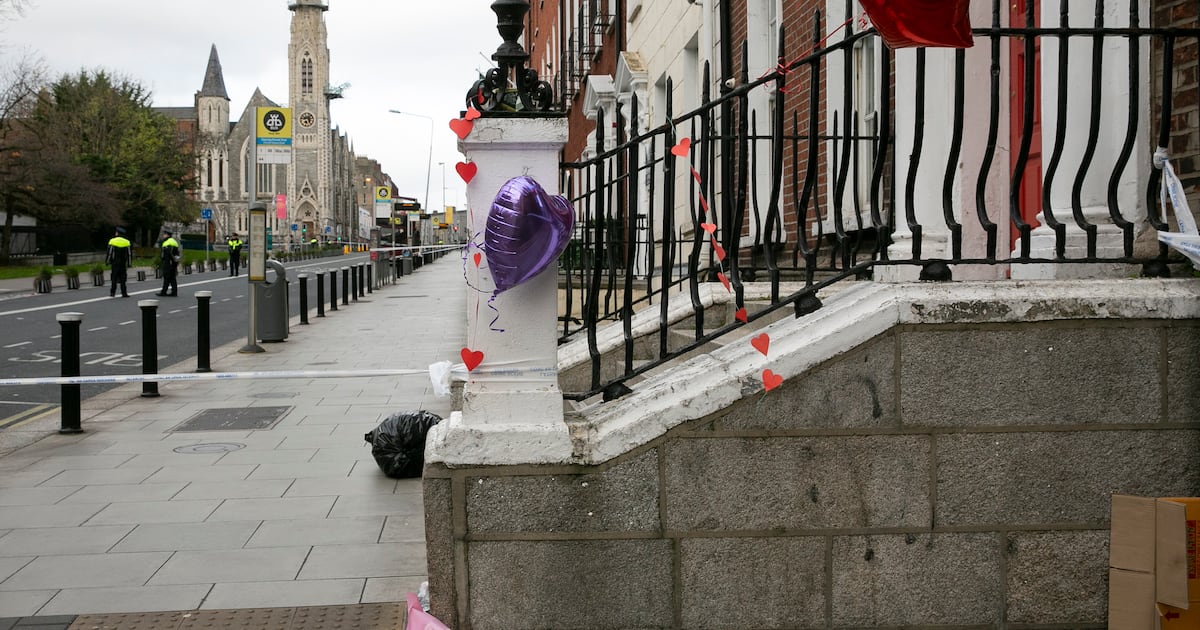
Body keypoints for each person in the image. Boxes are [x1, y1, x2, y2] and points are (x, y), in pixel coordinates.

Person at [105, 226, 132, 298]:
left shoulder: (112, 241)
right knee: (123, 278)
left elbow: (109, 253)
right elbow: (129, 254)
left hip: (115, 262)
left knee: (114, 277)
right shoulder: (127, 242)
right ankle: (124, 293)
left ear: (117, 233)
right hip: (123, 263)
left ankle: (112, 292)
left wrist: (107, 261)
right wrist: (129, 263)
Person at [156, 229, 180, 296]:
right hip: (173, 263)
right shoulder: (174, 241)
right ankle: (174, 292)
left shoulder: (167, 242)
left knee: (166, 277)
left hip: (168, 263)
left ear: (167, 235)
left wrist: (170, 262)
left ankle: (164, 292)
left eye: (164, 234)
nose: (163, 235)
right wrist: (175, 262)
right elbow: (177, 253)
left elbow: (169, 254)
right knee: (172, 278)